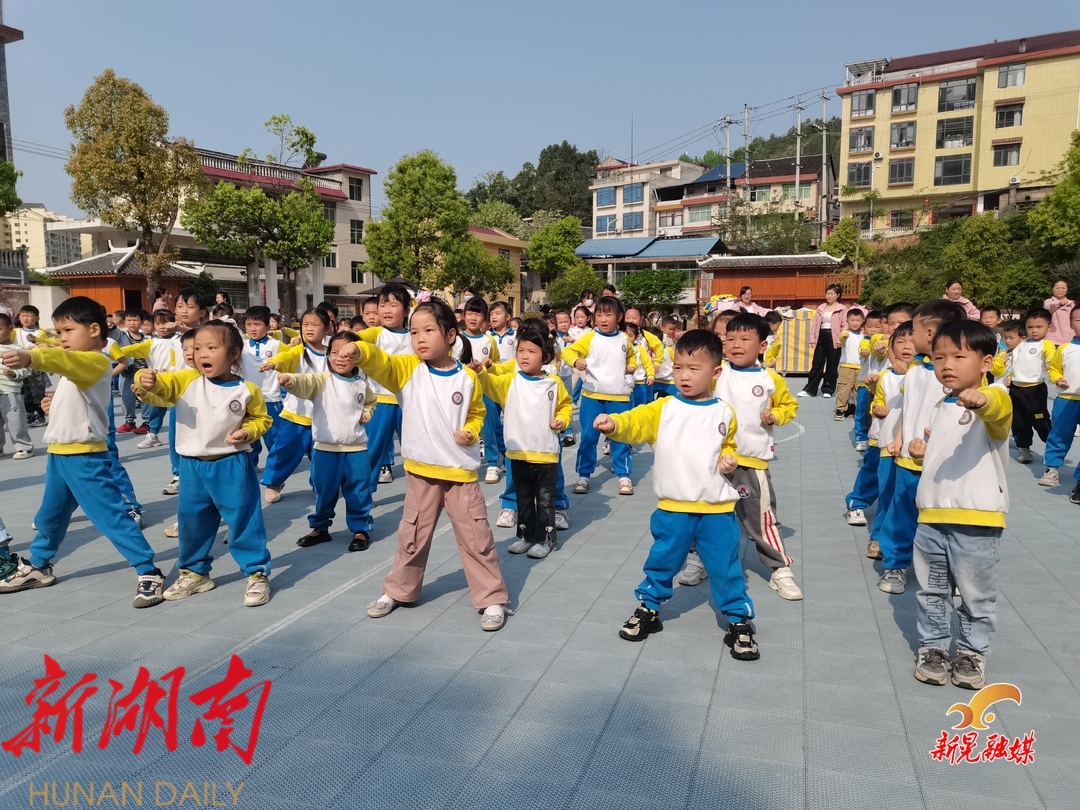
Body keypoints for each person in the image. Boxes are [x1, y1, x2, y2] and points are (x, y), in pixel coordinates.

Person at [341, 298, 510, 632]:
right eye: (414, 332)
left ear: (450, 335)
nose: (419, 338)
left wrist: (471, 430)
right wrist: (360, 351)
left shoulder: (468, 377)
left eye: (428, 330)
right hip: (421, 472)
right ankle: (399, 590)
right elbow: (382, 362)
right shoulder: (408, 369)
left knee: (476, 537)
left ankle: (491, 597)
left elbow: (476, 411)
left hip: (460, 474)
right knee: (412, 535)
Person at [599, 330, 760, 660]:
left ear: (715, 372)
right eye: (678, 367)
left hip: (717, 509)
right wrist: (614, 424)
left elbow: (727, 446)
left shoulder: (724, 413)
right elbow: (635, 421)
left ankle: (738, 619)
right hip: (673, 507)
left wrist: (728, 458)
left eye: (694, 368)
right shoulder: (664, 408)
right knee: (662, 561)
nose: (684, 375)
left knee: (725, 566)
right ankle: (649, 607)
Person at [0, 297, 166, 608]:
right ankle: (39, 565)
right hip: (60, 454)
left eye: (68, 330)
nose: (62, 337)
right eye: (59, 331)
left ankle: (149, 571)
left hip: (85, 457)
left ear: (93, 330)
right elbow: (74, 390)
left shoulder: (96, 361)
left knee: (110, 516)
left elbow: (63, 361)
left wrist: (29, 357)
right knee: (50, 516)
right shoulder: (78, 364)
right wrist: (54, 406)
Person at [135, 321, 273, 607]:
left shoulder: (246, 389)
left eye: (212, 347)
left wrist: (248, 431)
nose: (202, 354)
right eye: (198, 348)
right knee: (192, 522)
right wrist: (143, 379)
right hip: (192, 465)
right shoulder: (186, 380)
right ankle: (195, 573)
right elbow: (160, 387)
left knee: (243, 519)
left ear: (233, 354)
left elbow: (261, 419)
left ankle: (257, 573)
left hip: (231, 464)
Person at [909, 320, 1011, 689]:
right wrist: (922, 454)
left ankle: (972, 652)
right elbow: (945, 454)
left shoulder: (996, 396)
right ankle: (933, 646)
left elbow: (997, 410)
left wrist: (983, 400)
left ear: (986, 363)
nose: (946, 365)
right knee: (932, 590)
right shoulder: (941, 404)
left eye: (958, 356)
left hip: (977, 520)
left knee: (975, 594)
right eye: (939, 358)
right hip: (931, 517)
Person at [878, 299, 966, 595]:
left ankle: (949, 571)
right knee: (901, 515)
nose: (909, 336)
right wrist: (899, 437)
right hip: (907, 459)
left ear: (929, 333)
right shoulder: (914, 368)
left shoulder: (956, 374)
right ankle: (896, 564)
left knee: (943, 520)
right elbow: (909, 407)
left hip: (942, 464)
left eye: (913, 330)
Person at [712, 313, 802, 601]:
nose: (736, 345)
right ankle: (698, 559)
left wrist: (776, 415)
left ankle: (779, 568)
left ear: (762, 346)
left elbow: (790, 406)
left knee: (761, 518)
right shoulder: (717, 373)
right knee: (703, 514)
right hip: (712, 460)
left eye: (744, 339)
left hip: (750, 461)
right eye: (730, 339)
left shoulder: (770, 379)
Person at [476, 321, 572, 559]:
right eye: (520, 351)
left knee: (545, 502)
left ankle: (545, 539)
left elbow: (565, 405)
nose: (525, 356)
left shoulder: (553, 383)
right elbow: (489, 384)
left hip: (545, 454)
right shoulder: (510, 382)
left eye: (532, 351)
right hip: (517, 454)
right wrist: (480, 372)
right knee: (524, 500)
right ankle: (526, 537)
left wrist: (562, 420)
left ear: (545, 356)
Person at [280, 332, 377, 552]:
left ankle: (360, 529)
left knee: (359, 491)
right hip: (325, 450)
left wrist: (368, 412)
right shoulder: (322, 380)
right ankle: (320, 527)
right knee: (324, 491)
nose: (340, 358)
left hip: (356, 450)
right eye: (334, 353)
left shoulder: (362, 384)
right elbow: (304, 382)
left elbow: (371, 402)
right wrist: (290, 381)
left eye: (347, 354)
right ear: (328, 355)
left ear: (358, 356)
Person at [561, 295, 637, 496]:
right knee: (588, 436)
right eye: (599, 315)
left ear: (619, 317)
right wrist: (576, 361)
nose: (603, 319)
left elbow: (632, 357)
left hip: (619, 397)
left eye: (608, 315)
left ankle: (623, 475)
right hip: (592, 396)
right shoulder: (590, 337)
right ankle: (583, 475)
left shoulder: (624, 339)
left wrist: (631, 367)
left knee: (621, 436)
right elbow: (568, 352)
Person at [259, 308, 332, 503]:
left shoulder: (333, 353)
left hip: (324, 417)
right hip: (296, 414)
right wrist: (273, 363)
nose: (309, 328)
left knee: (322, 456)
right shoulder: (299, 351)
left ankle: (320, 485)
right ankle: (274, 483)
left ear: (326, 328)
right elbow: (286, 358)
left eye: (315, 325)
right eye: (305, 324)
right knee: (284, 450)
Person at [860, 323, 914, 556]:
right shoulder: (885, 377)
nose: (906, 346)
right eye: (900, 342)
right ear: (891, 349)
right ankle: (878, 538)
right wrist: (878, 409)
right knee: (887, 494)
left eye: (912, 341)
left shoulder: (931, 375)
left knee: (911, 498)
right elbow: (877, 402)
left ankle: (912, 542)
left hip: (916, 449)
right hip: (888, 446)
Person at [358, 284, 413, 490]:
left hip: (409, 402)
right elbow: (357, 339)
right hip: (380, 401)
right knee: (373, 450)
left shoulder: (414, 335)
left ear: (406, 311)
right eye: (383, 305)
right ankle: (364, 495)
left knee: (414, 450)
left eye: (393, 305)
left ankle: (420, 494)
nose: (387, 310)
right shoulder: (375, 333)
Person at [460, 298, 505, 484]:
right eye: (470, 313)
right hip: (461, 392)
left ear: (485, 319)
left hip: (484, 391)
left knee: (489, 428)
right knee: (461, 427)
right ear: (463, 316)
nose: (473, 318)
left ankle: (493, 463)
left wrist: (489, 365)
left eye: (478, 314)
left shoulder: (489, 340)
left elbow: (496, 363)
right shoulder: (456, 339)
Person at [1040, 307, 1080, 497]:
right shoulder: (1064, 348)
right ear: (1071, 323)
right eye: (1078, 319)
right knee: (1059, 435)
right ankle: (1052, 468)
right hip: (1066, 400)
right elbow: (1054, 369)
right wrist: (1057, 379)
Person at [1009, 307, 1054, 465]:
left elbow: (1051, 356)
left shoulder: (1046, 344)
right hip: (1016, 389)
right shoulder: (1021, 345)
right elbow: (1015, 363)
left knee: (1040, 419)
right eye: (1030, 327)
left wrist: (1050, 363)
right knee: (1019, 420)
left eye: (1039, 327)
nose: (1034, 330)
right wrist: (1010, 377)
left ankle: (1052, 448)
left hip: (1035, 389)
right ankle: (1023, 448)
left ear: (1049, 327)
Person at [240, 306, 283, 470]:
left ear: (267, 326)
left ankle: (276, 469)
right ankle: (252, 465)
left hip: (271, 398)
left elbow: (291, 357)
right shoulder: (241, 346)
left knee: (274, 437)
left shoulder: (277, 345)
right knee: (251, 436)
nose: (252, 328)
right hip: (248, 399)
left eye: (257, 324)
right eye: (248, 324)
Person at [799, 284, 847, 398]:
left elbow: (844, 324)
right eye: (827, 293)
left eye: (832, 294)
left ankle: (828, 389)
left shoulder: (842, 308)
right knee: (817, 363)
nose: (829, 296)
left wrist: (842, 337)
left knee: (832, 364)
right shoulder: (821, 307)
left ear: (838, 295)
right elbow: (815, 324)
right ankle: (810, 390)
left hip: (834, 337)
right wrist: (813, 338)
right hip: (821, 335)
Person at [0, 313, 33, 460]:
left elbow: (27, 369)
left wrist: (14, 373)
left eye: (0, 329)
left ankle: (24, 447)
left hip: (11, 392)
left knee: (16, 421)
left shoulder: (17, 349)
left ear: (10, 328)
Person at [852, 309, 885, 451]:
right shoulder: (865, 342)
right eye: (869, 326)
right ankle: (861, 437)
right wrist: (865, 352)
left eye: (877, 326)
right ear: (863, 328)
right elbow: (864, 350)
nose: (873, 330)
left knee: (876, 411)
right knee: (861, 411)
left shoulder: (885, 341)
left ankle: (876, 436)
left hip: (879, 384)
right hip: (864, 384)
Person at [15, 305, 51, 427]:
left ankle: (40, 415)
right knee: (25, 392)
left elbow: (46, 347)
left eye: (29, 316)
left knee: (38, 391)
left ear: (37, 318)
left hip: (36, 367)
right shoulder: (15, 331)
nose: (25, 318)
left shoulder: (40, 333)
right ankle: (29, 414)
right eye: (23, 316)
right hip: (21, 367)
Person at [834, 308, 867, 421]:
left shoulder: (864, 336)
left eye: (858, 320)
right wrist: (843, 336)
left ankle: (858, 410)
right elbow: (842, 338)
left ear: (863, 321)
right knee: (844, 389)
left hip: (861, 367)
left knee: (859, 390)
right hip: (846, 366)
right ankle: (840, 409)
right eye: (852, 320)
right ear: (847, 320)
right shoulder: (846, 333)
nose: (855, 323)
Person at [1045, 281, 1075, 345]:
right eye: (1057, 288)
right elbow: (1049, 307)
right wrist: (1060, 304)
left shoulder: (1071, 303)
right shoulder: (1048, 302)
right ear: (1053, 289)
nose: (1060, 290)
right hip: (1054, 340)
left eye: (1063, 288)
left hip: (1071, 340)